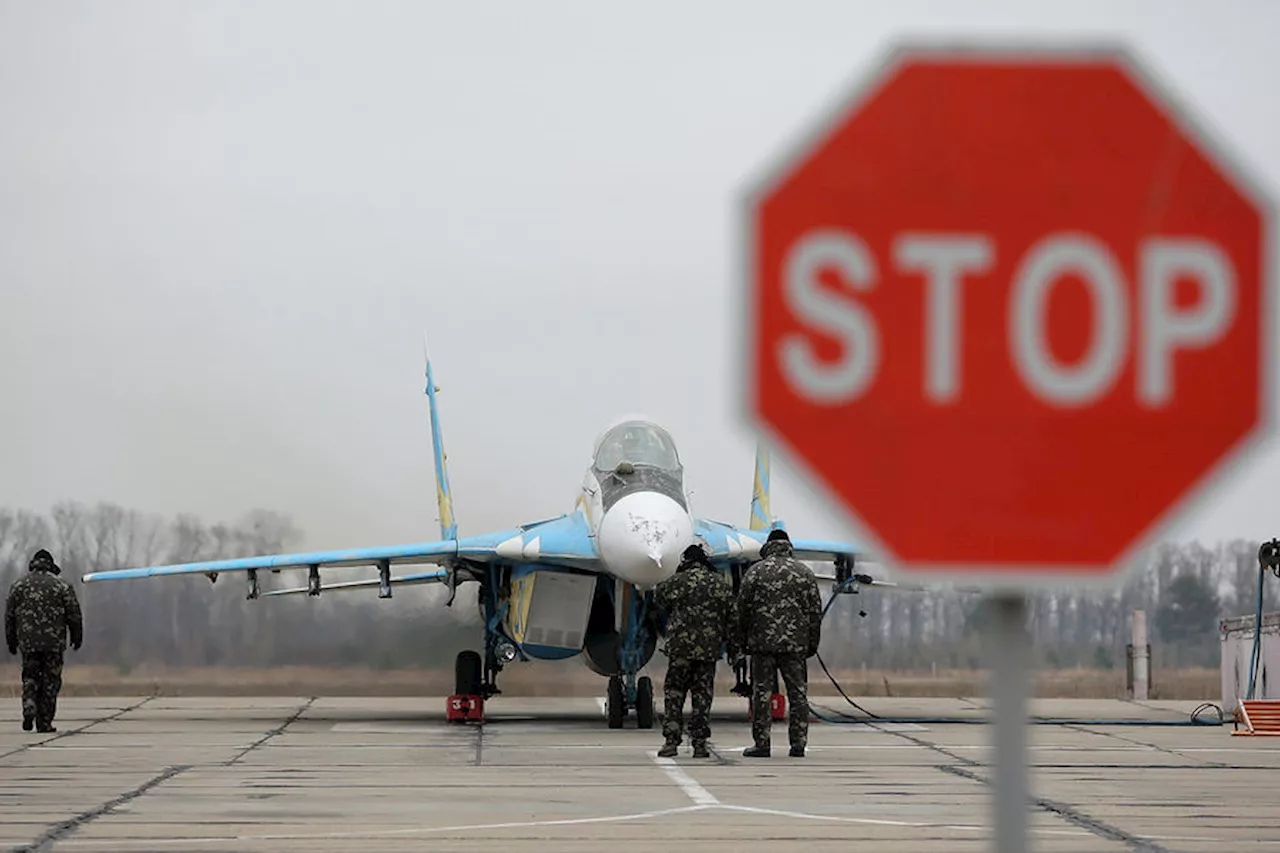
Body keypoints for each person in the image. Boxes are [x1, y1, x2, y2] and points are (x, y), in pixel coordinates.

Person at [736, 528, 821, 758]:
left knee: (761, 694)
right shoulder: (804, 573)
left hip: (762, 646)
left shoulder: (755, 572)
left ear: (768, 545)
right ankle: (798, 744)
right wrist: (811, 644)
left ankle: (762, 744)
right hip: (795, 646)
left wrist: (743, 643)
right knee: (798, 695)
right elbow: (814, 613)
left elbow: (742, 611)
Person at [652, 541, 734, 758]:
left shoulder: (679, 581)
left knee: (674, 693)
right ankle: (699, 744)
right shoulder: (718, 583)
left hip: (680, 649)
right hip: (708, 650)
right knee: (702, 696)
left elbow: (658, 597)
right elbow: (731, 613)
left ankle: (671, 742)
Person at [5, 549, 83, 733]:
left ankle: (29, 703)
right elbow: (74, 614)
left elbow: (9, 616)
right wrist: (77, 636)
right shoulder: (61, 585)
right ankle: (44, 722)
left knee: (30, 676)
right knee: (50, 681)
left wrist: (11, 640)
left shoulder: (18, 585)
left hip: (28, 642)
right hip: (53, 643)